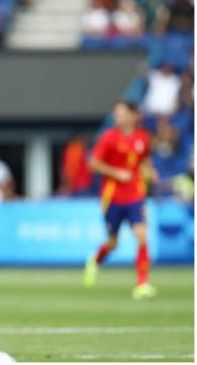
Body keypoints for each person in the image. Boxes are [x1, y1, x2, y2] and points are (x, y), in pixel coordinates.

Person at [83, 100, 158, 300]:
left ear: (134, 116)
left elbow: (145, 159)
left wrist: (151, 172)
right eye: (116, 113)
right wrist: (116, 173)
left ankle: (142, 283)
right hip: (113, 197)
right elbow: (93, 164)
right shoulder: (108, 138)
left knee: (142, 236)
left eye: (122, 113)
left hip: (135, 195)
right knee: (113, 243)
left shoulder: (143, 137)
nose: (118, 117)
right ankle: (95, 260)